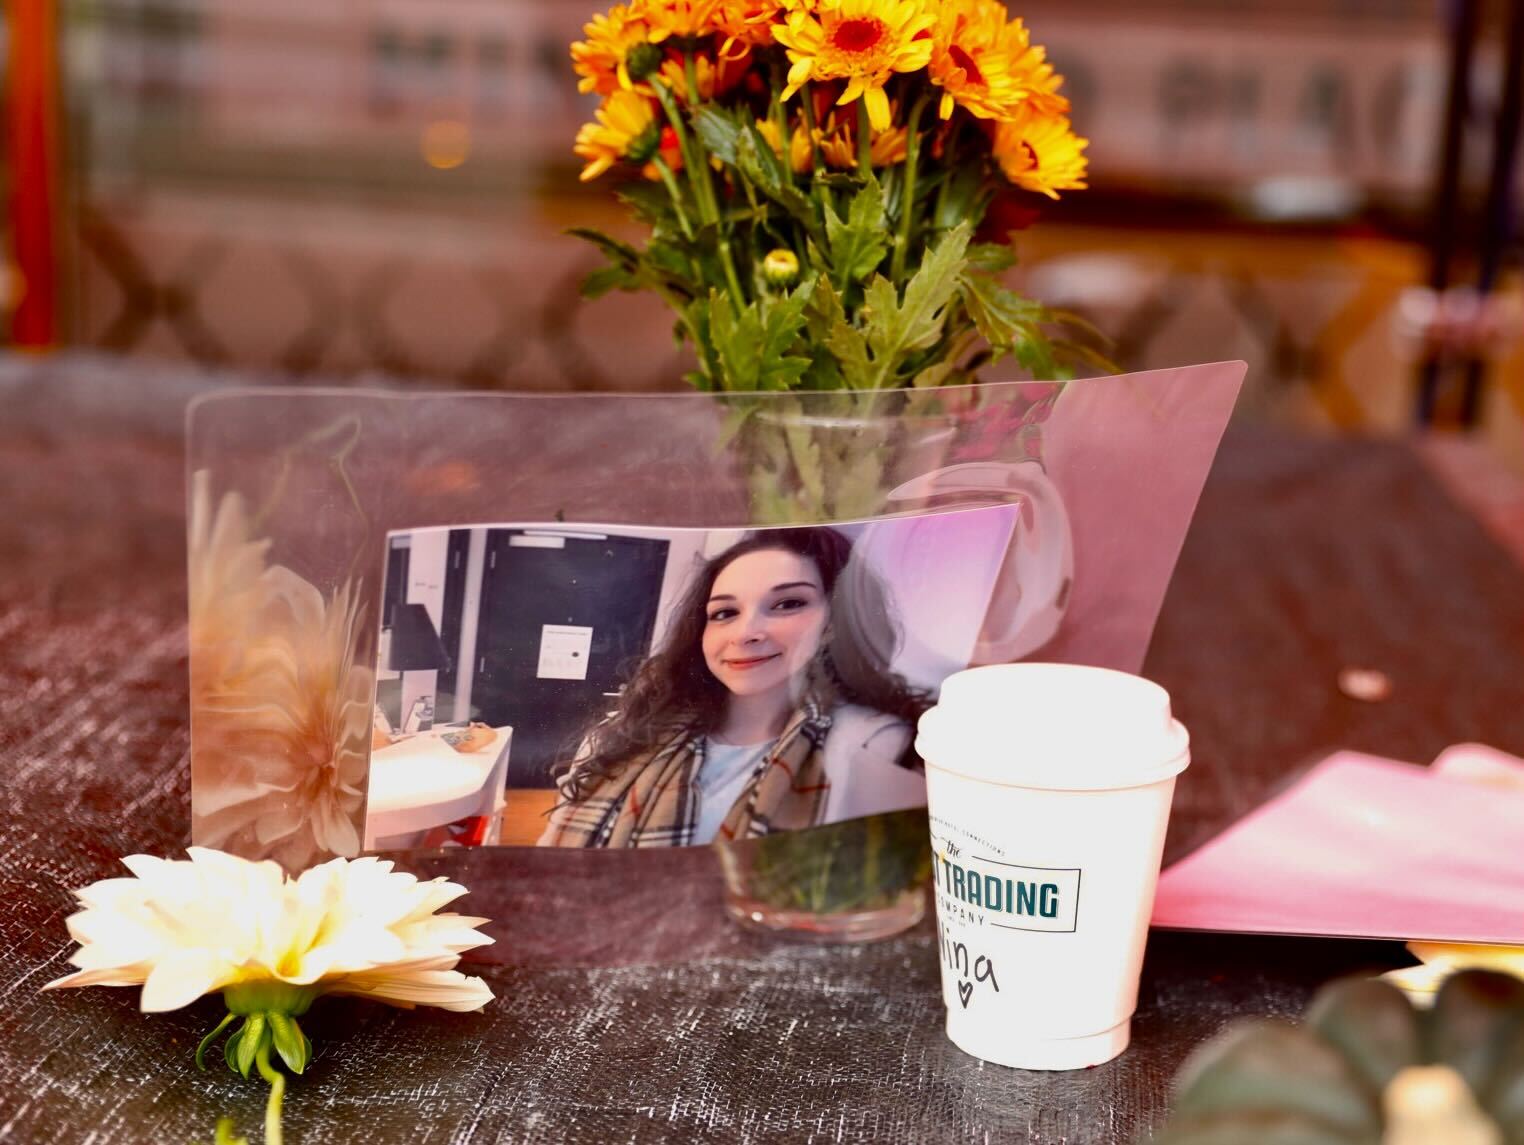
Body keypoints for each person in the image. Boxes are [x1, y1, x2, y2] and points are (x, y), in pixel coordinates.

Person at [537, 527, 929, 848]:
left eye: (788, 603)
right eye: (725, 613)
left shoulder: (876, 745)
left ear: (837, 619)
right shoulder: (620, 736)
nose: (744, 633)